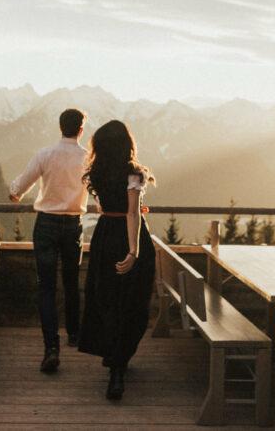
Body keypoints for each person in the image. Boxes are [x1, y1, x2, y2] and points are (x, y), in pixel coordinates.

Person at [78, 119, 156, 401]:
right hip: (128, 236)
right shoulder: (133, 174)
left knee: (107, 297)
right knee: (132, 300)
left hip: (105, 235)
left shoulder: (97, 173)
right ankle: (119, 363)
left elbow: (104, 208)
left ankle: (114, 357)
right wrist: (133, 252)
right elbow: (133, 214)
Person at [9, 108, 89, 373]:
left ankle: (51, 347)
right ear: (81, 129)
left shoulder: (45, 154)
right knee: (70, 279)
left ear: (60, 127)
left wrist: (14, 193)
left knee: (46, 286)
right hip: (73, 225)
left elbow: (20, 187)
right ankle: (75, 334)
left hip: (46, 225)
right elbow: (99, 196)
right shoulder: (88, 159)